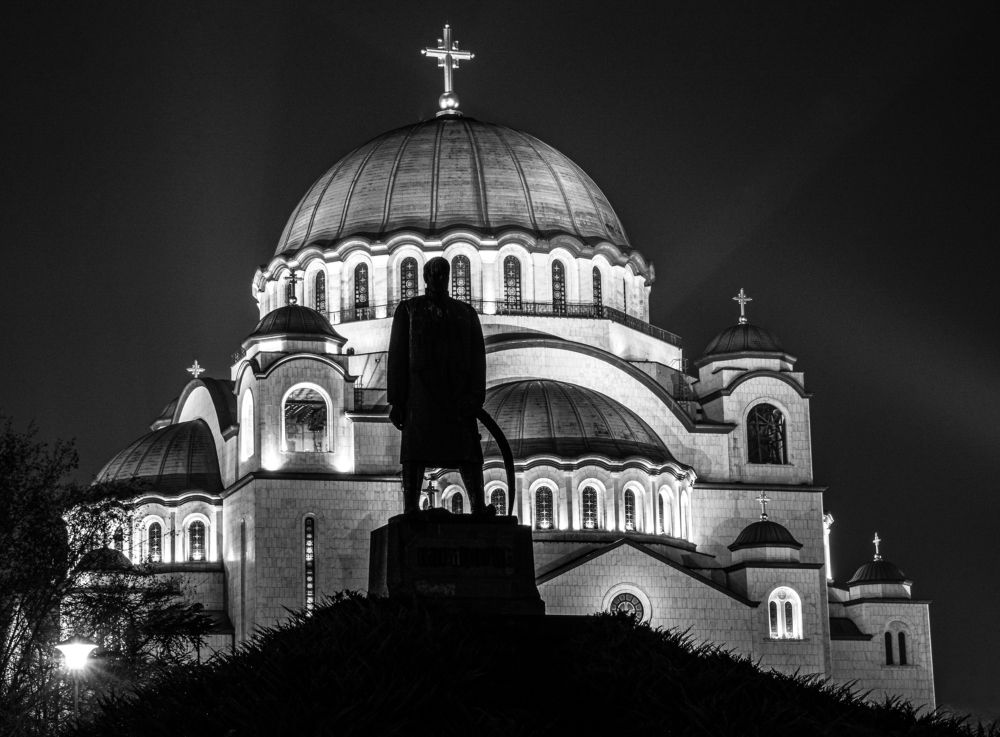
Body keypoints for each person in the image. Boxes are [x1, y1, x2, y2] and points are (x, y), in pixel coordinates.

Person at [387, 257, 486, 514]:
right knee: (415, 451)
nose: (438, 279)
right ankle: (410, 506)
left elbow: (478, 357)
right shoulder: (410, 309)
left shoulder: (465, 313)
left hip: (457, 393)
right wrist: (397, 400)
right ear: (425, 278)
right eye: (434, 275)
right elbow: (397, 356)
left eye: (443, 274)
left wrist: (476, 396)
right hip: (421, 394)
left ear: (449, 277)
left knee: (468, 451)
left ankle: (478, 505)